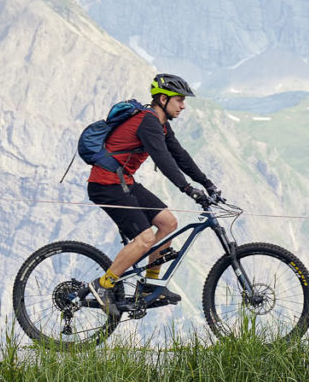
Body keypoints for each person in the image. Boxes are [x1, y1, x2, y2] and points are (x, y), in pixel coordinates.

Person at [85, 72, 221, 314]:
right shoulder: (148, 121)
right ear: (162, 99)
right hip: (106, 184)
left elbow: (179, 156)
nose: (183, 105)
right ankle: (103, 285)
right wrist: (188, 189)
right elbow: (163, 159)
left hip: (123, 181)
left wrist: (207, 183)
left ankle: (149, 286)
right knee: (145, 238)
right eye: (179, 100)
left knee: (168, 223)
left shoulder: (161, 124)